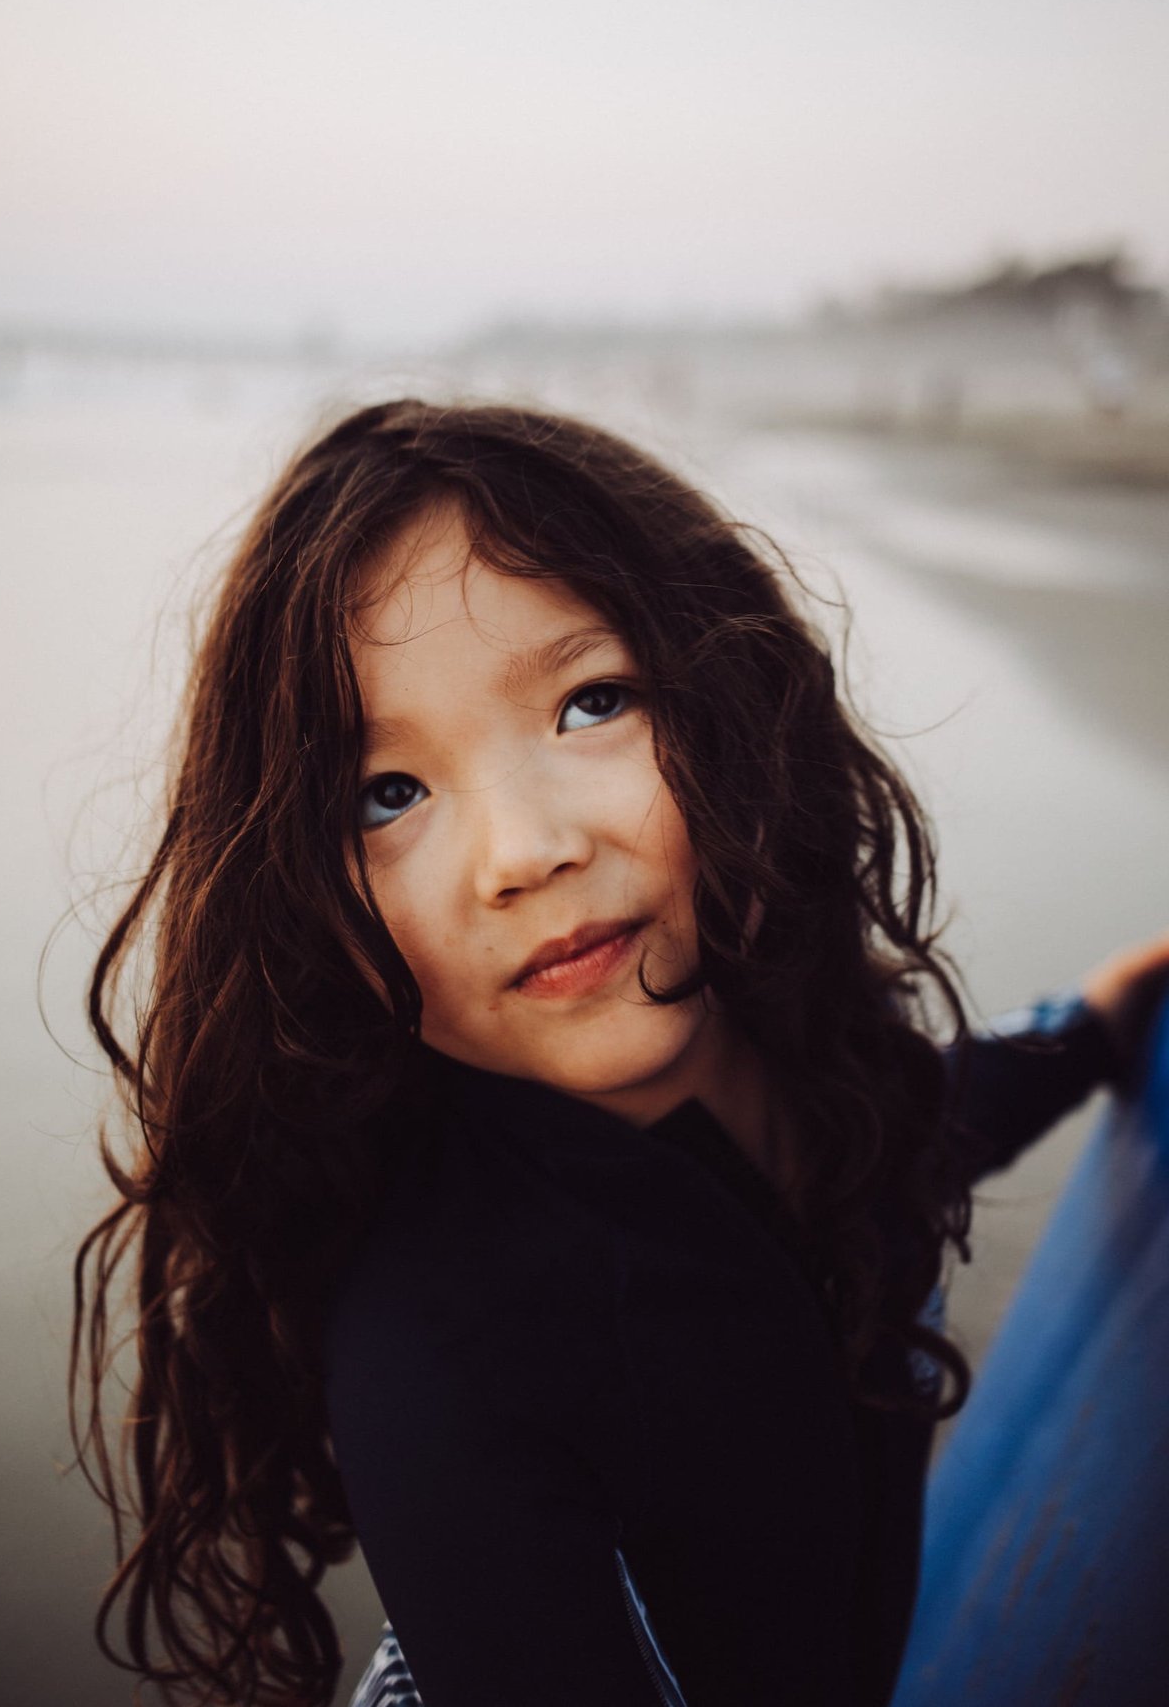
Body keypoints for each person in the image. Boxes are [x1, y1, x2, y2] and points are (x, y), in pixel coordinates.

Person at [69, 398, 1169, 1707]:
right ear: (312, 908)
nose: (522, 851)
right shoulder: (445, 1345)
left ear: (735, 699)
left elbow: (895, 1136)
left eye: (591, 703)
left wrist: (1090, 1027)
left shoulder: (807, 1071)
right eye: (387, 794)